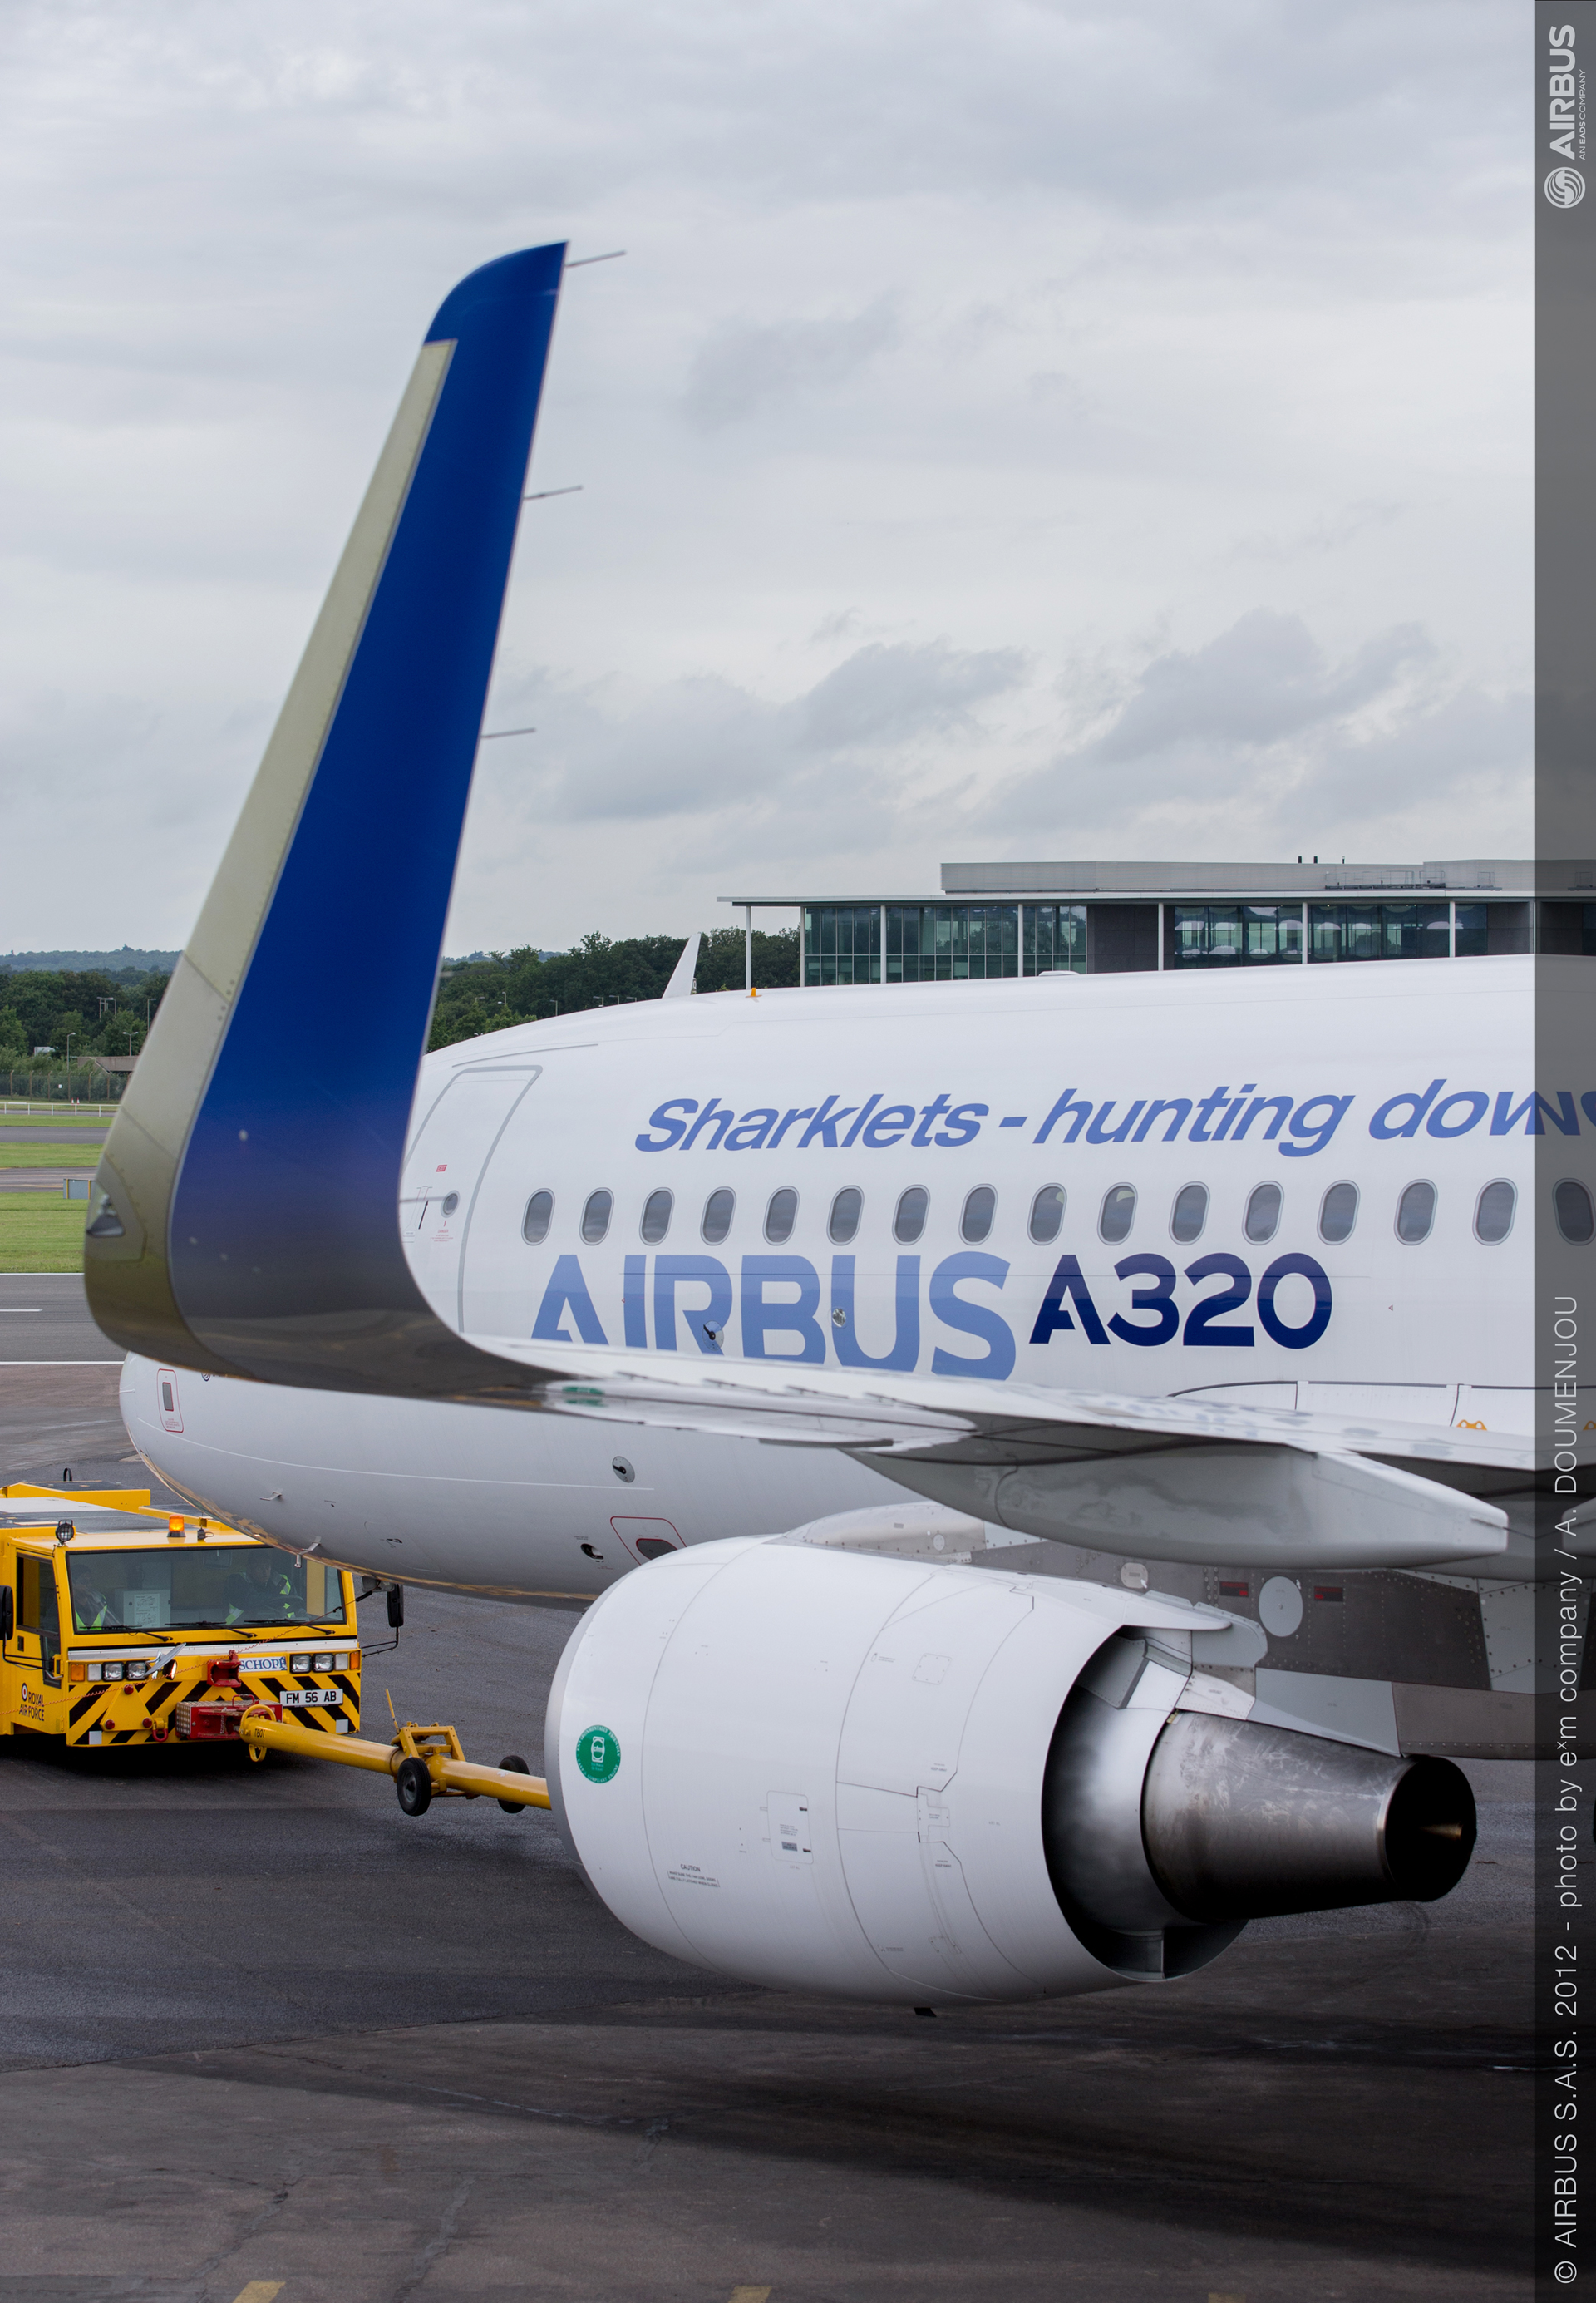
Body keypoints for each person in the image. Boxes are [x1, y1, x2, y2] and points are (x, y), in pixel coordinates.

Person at [223, 1548, 296, 1625]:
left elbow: (297, 1603)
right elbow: (249, 1601)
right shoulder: (236, 1580)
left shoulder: (283, 1581)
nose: (265, 1571)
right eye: (260, 1567)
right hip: (239, 1627)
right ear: (250, 1568)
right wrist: (277, 1599)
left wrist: (301, 1612)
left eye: (267, 1567)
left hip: (286, 1627)